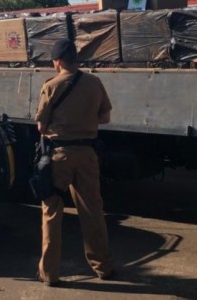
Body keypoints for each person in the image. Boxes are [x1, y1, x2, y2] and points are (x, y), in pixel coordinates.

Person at [34, 38, 114, 286]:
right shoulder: (94, 82)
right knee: (92, 211)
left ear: (57, 62)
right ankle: (103, 267)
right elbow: (105, 117)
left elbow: (41, 126)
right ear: (75, 60)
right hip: (88, 154)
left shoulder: (51, 86)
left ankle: (49, 273)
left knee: (52, 212)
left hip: (59, 156)